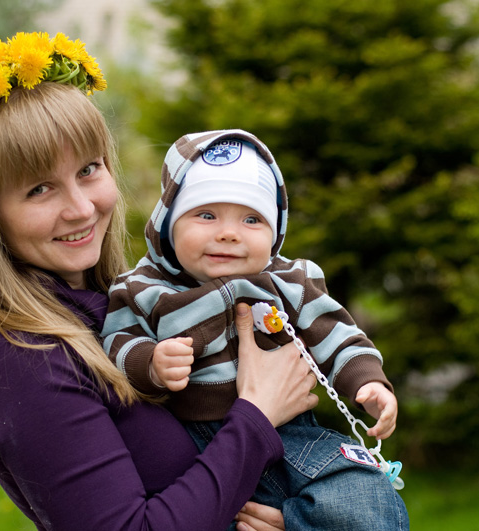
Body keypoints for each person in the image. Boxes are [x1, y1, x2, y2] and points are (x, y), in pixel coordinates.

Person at [0, 32, 319, 531]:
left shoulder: (124, 309)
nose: (81, 208)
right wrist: (257, 414)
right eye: (39, 189)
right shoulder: (26, 360)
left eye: (89, 169)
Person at [102, 129, 409, 529]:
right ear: (167, 224)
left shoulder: (288, 282)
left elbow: (335, 332)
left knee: (367, 501)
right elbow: (117, 341)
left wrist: (367, 380)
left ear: (275, 232)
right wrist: (151, 363)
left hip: (290, 437)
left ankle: (293, 522)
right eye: (206, 214)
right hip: (198, 448)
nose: (229, 233)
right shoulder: (144, 289)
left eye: (252, 219)